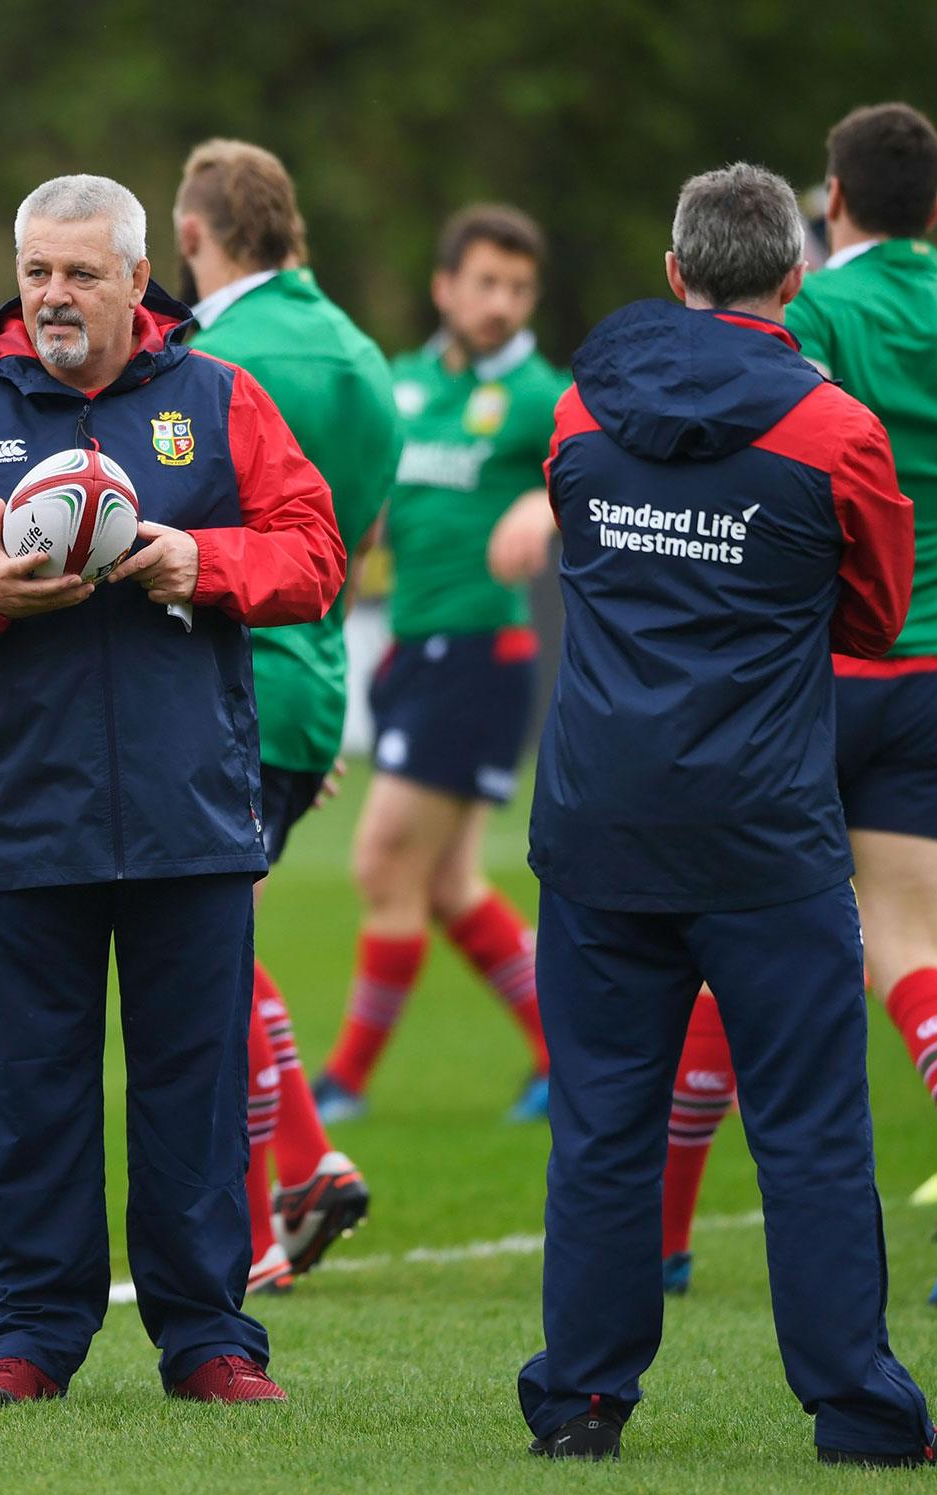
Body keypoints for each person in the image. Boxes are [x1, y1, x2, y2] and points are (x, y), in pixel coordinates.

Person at [521, 161, 937, 1467]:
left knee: (604, 1128)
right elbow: (876, 612)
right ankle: (856, 1415)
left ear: (676, 274)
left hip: (600, 822)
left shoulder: (579, 411)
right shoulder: (835, 427)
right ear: (795, 281)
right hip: (762, 828)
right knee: (810, 1131)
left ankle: (581, 1403)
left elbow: (580, 551)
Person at [0, 173, 344, 1406]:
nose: (54, 296)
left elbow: (315, 552)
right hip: (25, 808)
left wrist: (202, 561)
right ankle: (23, 1338)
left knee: (194, 1091)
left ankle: (210, 1340)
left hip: (190, 807)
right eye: (36, 273)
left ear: (137, 279)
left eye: (79, 273)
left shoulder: (217, 401)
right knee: (24, 1097)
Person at [658, 104, 937, 1307]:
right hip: (928, 667)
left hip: (807, 671)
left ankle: (663, 1240)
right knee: (911, 950)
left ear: (831, 201)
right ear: (936, 210)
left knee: (723, 958)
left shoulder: (812, 309)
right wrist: (935, 526)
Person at [173, 138, 393, 1293]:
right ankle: (305, 1168)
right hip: (310, 687)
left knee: (200, 959)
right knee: (226, 947)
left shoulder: (214, 359)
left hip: (225, 683)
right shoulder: (364, 355)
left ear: (197, 236)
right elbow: (346, 539)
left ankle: (260, 1226)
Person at [312, 205, 568, 1126]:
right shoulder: (406, 384)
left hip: (478, 653)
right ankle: (565, 1055)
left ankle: (343, 1082)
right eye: (485, 283)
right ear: (445, 287)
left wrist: (547, 502)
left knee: (383, 861)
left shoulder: (546, 397)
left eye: (518, 288)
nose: (500, 304)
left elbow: (614, 471)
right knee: (449, 883)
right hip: (412, 651)